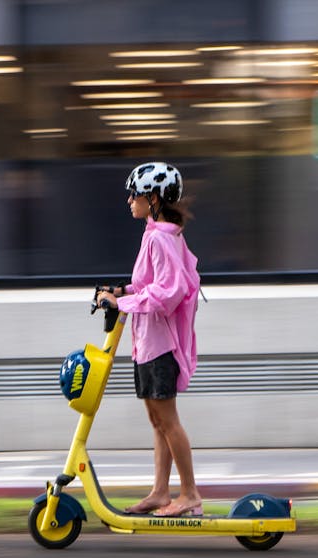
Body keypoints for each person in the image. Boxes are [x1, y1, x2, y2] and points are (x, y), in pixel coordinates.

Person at [96, 161, 203, 517]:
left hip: (160, 346)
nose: (129, 199)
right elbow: (147, 285)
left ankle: (189, 495)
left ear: (153, 197)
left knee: (168, 420)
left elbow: (169, 291)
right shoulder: (154, 233)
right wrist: (120, 290)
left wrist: (121, 301)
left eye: (135, 193)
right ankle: (160, 492)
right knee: (157, 422)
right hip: (146, 343)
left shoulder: (161, 237)